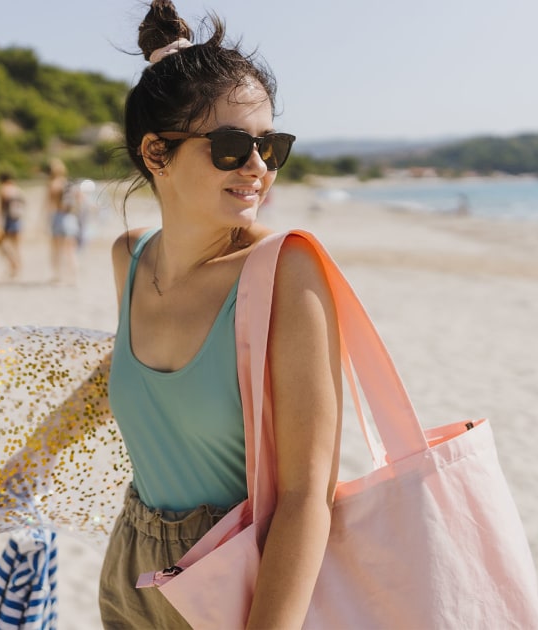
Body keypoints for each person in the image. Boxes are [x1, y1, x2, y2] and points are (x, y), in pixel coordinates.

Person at [100, 2, 341, 628]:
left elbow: (306, 494)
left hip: (242, 580)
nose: (258, 167)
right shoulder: (130, 259)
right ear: (157, 153)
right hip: (131, 568)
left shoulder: (287, 271)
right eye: (233, 147)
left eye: (270, 145)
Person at [45, 158, 80, 284]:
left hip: (58, 217)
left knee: (56, 249)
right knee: (71, 249)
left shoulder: (53, 184)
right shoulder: (69, 183)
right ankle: (74, 277)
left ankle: (57, 275)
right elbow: (79, 200)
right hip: (71, 218)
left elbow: (49, 204)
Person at [0, 172, 26, 279]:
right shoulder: (17, 189)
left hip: (8, 220)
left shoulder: (3, 190)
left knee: (5, 245)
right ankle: (18, 267)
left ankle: (13, 265)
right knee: (17, 246)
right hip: (18, 219)